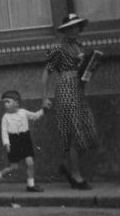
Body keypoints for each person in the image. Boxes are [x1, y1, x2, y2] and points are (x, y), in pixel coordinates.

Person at [42, 13, 99, 190]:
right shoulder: (59, 48)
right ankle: (76, 175)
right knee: (75, 131)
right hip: (66, 89)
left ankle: (69, 168)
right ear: (65, 30)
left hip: (79, 90)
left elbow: (82, 71)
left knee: (87, 130)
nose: (74, 30)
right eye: (70, 28)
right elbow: (46, 72)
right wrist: (44, 97)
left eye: (77, 27)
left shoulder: (79, 46)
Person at [0, 90, 46, 192]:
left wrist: (44, 110)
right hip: (14, 141)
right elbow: (4, 132)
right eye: (4, 103)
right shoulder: (5, 117)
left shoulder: (23, 112)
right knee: (14, 167)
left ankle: (30, 185)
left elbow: (34, 116)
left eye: (8, 102)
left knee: (30, 163)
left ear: (17, 103)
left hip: (25, 140)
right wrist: (6, 143)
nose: (5, 105)